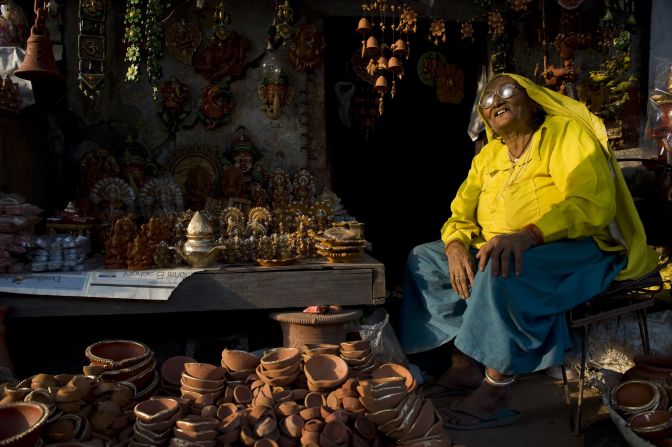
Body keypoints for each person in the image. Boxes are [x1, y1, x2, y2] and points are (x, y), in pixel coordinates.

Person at [399, 73, 659, 430]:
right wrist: (456, 242)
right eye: (487, 99)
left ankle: (497, 388)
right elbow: (460, 212)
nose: (496, 102)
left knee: (500, 266)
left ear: (533, 100)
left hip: (572, 244)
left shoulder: (565, 135)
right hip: (505, 244)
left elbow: (590, 204)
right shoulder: (488, 156)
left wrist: (529, 235)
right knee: (424, 259)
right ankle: (463, 367)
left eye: (506, 91)